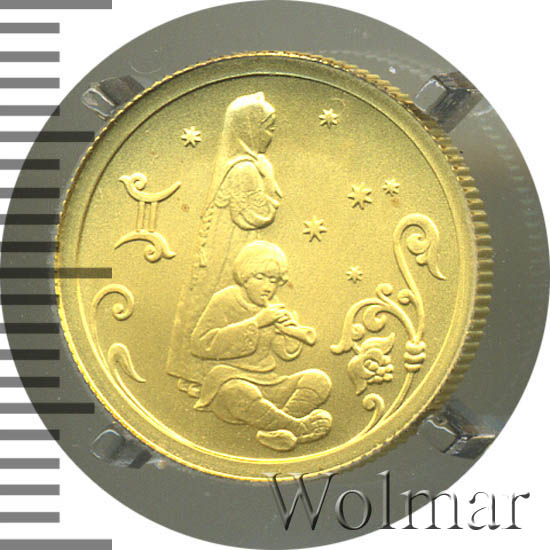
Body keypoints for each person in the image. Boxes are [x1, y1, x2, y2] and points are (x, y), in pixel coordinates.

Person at [166, 92, 282, 391]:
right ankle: (200, 375)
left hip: (228, 244)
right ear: (249, 128)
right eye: (268, 127)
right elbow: (258, 214)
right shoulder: (245, 169)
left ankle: (197, 374)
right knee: (218, 305)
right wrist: (269, 179)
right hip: (231, 249)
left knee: (210, 304)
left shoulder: (239, 165)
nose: (271, 136)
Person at [190, 240, 332, 452]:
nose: (267, 287)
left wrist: (290, 332)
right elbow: (200, 344)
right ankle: (298, 428)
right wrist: (256, 322)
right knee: (239, 391)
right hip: (230, 382)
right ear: (244, 277)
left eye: (273, 280)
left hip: (268, 382)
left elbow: (285, 353)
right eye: (260, 277)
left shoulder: (272, 305)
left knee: (318, 380)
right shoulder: (225, 299)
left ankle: (274, 430)